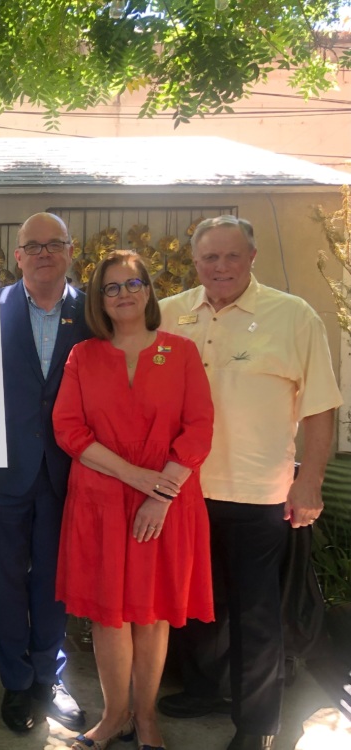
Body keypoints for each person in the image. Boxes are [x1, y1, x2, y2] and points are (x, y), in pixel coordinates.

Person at [157, 216, 342, 750]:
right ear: (194, 262)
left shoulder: (292, 316)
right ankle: (205, 689)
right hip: (185, 491)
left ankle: (258, 724)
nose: (220, 267)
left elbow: (320, 408)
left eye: (231, 256)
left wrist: (310, 484)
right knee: (197, 606)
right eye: (209, 258)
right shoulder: (170, 315)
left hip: (259, 492)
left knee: (257, 615)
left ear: (252, 257)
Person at [52, 251, 215, 749]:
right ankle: (114, 716)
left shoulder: (180, 351)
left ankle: (146, 719)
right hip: (99, 502)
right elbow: (69, 429)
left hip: (164, 507)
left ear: (148, 290)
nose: (123, 294)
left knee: (150, 616)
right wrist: (136, 476)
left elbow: (200, 428)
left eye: (133, 284)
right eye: (111, 287)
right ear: (99, 300)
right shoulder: (84, 356)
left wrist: (159, 494)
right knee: (108, 618)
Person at [0, 212, 91, 734]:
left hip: (69, 470)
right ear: (17, 256)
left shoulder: (93, 313)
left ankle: (47, 679)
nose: (42, 253)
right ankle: (15, 683)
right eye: (31, 246)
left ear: (69, 251)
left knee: (55, 583)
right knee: (8, 582)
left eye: (53, 244)